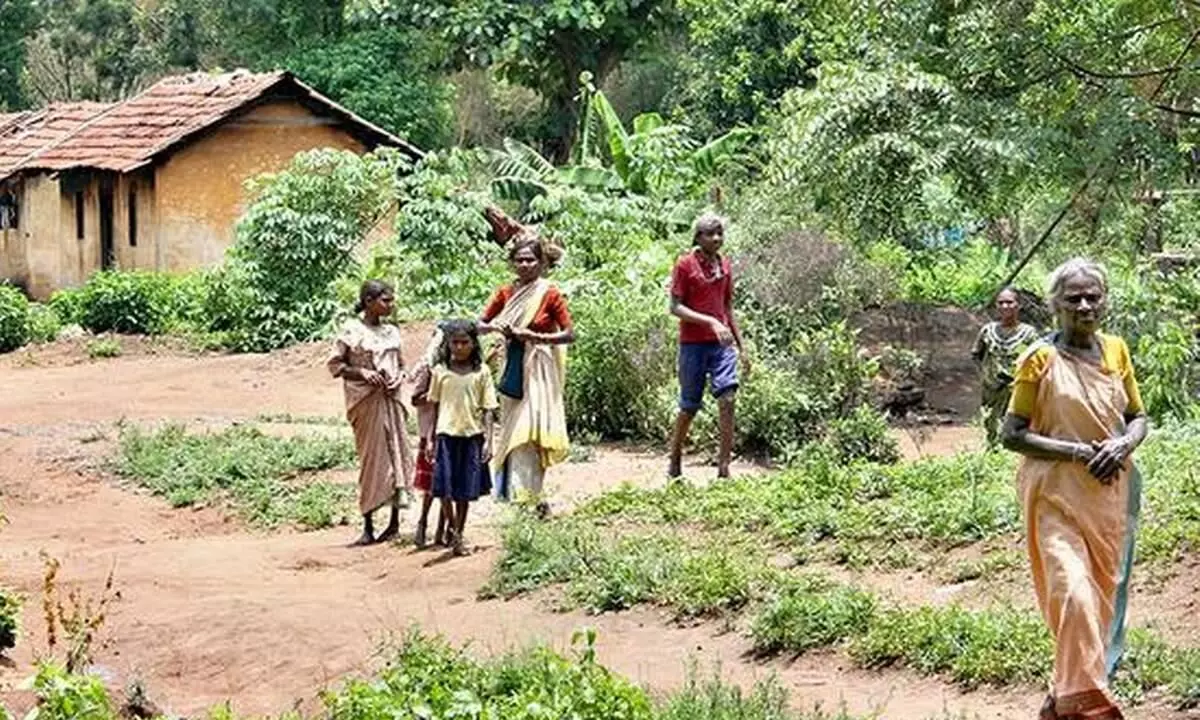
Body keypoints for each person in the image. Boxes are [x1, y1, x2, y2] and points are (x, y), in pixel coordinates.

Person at [1001, 258, 1148, 720]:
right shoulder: (1039, 360)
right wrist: (1080, 452)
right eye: (1073, 298)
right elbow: (1011, 433)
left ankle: (1061, 696)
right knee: (1074, 595)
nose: (1085, 305)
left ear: (1104, 302)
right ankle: (1087, 708)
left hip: (1107, 498)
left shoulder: (1116, 352)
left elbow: (1137, 417)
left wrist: (1124, 443)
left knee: (1101, 599)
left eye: (1093, 297)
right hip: (1054, 497)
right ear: (1055, 306)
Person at [479, 236, 574, 516]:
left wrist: (534, 336)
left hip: (540, 369)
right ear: (512, 263)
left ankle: (530, 496)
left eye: (530, 260)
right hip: (513, 365)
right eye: (519, 260)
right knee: (513, 427)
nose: (524, 265)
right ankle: (522, 496)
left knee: (532, 430)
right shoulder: (505, 294)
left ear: (542, 263)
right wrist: (498, 329)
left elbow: (570, 334)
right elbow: (481, 324)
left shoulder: (550, 293)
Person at [327, 280, 414, 546]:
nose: (390, 305)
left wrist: (398, 378)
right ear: (368, 301)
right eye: (385, 300)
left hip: (390, 399)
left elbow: (400, 364)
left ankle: (394, 523)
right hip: (366, 401)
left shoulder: (392, 332)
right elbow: (335, 365)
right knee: (372, 460)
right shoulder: (352, 330)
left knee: (398, 455)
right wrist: (363, 372)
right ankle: (368, 523)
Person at [667, 212, 746, 480]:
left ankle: (724, 468)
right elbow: (675, 307)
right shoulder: (685, 265)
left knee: (728, 398)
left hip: (721, 346)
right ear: (698, 237)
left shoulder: (724, 264)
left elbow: (727, 307)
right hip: (693, 345)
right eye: (710, 233)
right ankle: (675, 456)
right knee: (689, 405)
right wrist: (710, 322)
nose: (716, 238)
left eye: (719, 233)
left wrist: (741, 345)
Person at [427, 320, 498, 556]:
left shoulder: (482, 372)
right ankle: (454, 531)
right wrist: (429, 438)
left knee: (464, 492)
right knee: (444, 489)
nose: (459, 347)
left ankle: (459, 531)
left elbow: (488, 408)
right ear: (447, 344)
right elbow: (434, 407)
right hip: (445, 435)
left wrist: (488, 439)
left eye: (464, 342)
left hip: (471, 435)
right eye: (454, 343)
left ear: (473, 344)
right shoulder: (440, 371)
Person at [972, 287, 1038, 446]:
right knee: (990, 424)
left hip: (1017, 389)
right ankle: (992, 453)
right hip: (991, 390)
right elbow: (976, 355)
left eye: (1009, 302)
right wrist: (986, 377)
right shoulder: (987, 331)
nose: (1005, 306)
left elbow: (1036, 361)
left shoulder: (1029, 334)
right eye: (1001, 303)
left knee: (1014, 426)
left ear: (1018, 305)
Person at [408, 323, 453, 548]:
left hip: (452, 430)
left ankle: (441, 530)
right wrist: (437, 394)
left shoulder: (458, 365)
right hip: (430, 433)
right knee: (431, 486)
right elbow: (415, 398)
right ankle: (423, 524)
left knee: (448, 485)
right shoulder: (429, 367)